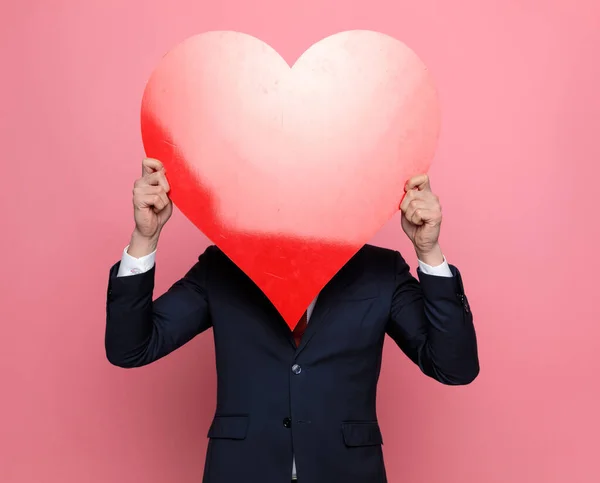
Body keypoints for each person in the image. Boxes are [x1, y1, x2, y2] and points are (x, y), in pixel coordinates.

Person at [105, 158, 479, 483]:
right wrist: (145, 238)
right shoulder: (222, 266)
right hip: (242, 472)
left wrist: (428, 251)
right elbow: (132, 348)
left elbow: (454, 366)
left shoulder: (381, 271)